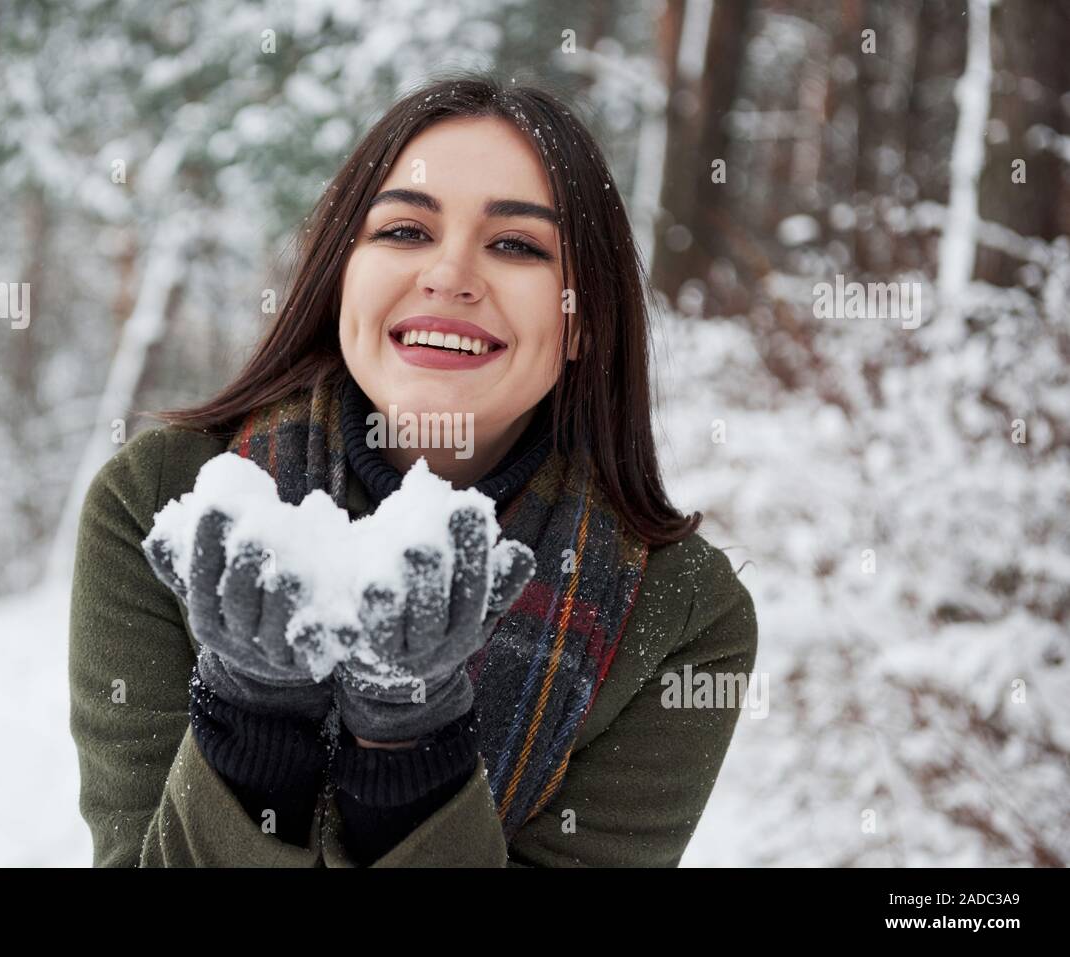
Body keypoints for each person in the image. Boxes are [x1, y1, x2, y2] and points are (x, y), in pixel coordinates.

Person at [68, 71, 757, 867]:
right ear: (340, 278)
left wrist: (410, 744)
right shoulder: (159, 500)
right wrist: (252, 718)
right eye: (403, 232)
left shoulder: (683, 617)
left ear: (584, 324)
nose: (449, 275)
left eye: (516, 245)